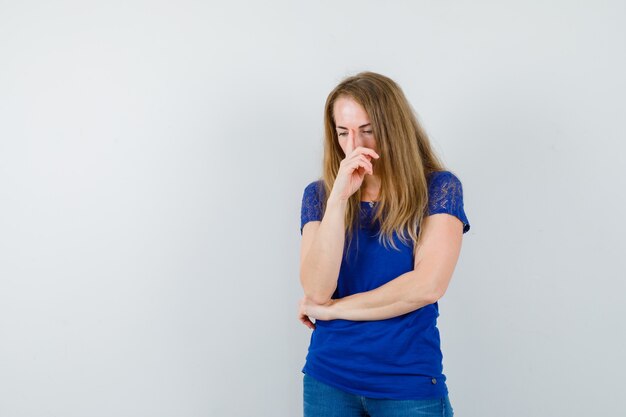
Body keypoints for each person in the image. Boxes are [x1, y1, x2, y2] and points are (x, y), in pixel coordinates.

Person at [297, 71, 470, 417]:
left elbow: (425, 287)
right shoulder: (320, 196)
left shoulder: (438, 189)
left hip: (406, 384)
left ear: (394, 128)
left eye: (368, 130)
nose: (355, 145)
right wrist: (338, 201)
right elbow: (317, 291)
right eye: (343, 132)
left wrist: (333, 310)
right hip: (328, 380)